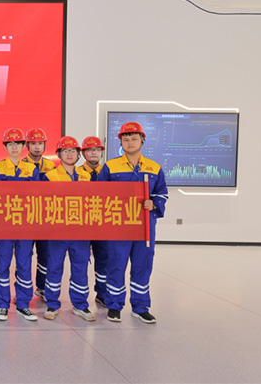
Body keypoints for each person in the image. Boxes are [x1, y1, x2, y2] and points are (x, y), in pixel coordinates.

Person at [99, 122, 168, 324]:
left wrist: (154, 204)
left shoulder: (154, 167)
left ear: (142, 140)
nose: (130, 142)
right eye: (126, 139)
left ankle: (140, 307)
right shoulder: (110, 167)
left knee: (142, 265)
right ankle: (114, 306)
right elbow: (99, 195)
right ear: (120, 142)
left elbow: (162, 193)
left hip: (144, 226)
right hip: (118, 226)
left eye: (134, 139)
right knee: (116, 265)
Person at [41, 137, 95, 322]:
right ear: (59, 154)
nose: (70, 154)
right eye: (65, 150)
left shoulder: (86, 176)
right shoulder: (49, 176)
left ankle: (80, 305)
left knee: (80, 268)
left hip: (80, 231)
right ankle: (52, 304)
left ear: (79, 154)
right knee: (54, 267)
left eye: (73, 150)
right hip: (58, 231)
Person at [0, 128, 40, 322]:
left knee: (24, 265)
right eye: (10, 144)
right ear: (5, 147)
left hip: (25, 224)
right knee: (2, 265)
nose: (14, 147)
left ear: (23, 146)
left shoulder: (32, 169)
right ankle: (2, 305)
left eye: (17, 144)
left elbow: (35, 196)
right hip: (4, 224)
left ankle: (23, 304)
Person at [23, 127, 56, 301]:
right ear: (27, 145)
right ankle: (23, 291)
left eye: (40, 143)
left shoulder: (51, 166)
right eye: (33, 143)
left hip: (45, 218)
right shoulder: (21, 164)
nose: (37, 147)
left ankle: (42, 287)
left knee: (46, 254)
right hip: (26, 218)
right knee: (24, 256)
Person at [80, 136, 108, 305]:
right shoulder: (76, 173)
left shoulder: (109, 172)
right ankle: (80, 298)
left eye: (97, 150)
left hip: (102, 224)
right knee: (81, 260)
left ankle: (102, 293)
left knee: (104, 259)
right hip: (81, 224)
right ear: (83, 153)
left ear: (101, 153)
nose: (93, 153)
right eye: (89, 150)